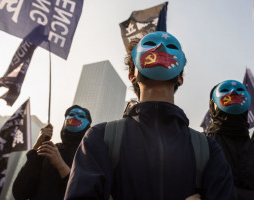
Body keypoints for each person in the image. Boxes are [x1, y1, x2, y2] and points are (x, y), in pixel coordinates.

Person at [64, 31, 236, 200]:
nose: (160, 47)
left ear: (180, 77)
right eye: (150, 45)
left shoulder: (208, 149)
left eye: (170, 46)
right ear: (132, 75)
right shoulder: (100, 138)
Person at [12, 105, 92, 200]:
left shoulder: (90, 155)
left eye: (81, 116)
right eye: (71, 114)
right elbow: (20, 192)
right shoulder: (50, 148)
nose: (75, 117)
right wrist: (37, 146)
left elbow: (86, 193)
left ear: (88, 125)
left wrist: (60, 165)